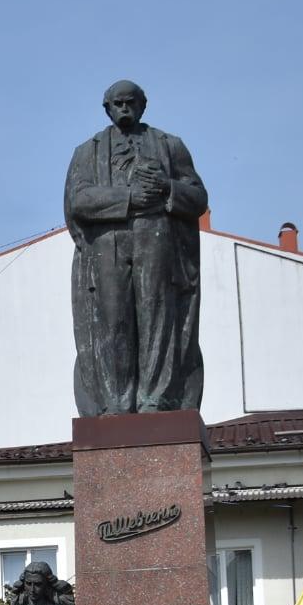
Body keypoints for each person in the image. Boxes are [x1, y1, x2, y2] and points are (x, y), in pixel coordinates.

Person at [63, 79, 209, 416]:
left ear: (143, 105)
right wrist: (129, 198)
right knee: (113, 322)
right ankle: (117, 402)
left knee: (156, 317)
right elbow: (79, 200)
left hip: (156, 241)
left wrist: (165, 187)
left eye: (131, 102)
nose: (125, 109)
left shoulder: (170, 146)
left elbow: (198, 198)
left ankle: (155, 399)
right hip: (108, 248)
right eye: (118, 103)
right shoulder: (87, 152)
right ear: (107, 108)